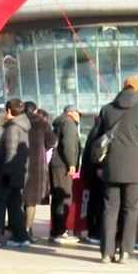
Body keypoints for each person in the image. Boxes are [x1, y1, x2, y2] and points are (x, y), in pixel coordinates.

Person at [92, 76, 138, 264]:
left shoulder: (107, 109)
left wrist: (99, 164)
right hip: (133, 167)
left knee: (109, 209)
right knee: (130, 209)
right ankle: (126, 252)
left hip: (111, 166)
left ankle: (106, 253)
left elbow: (97, 139)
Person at [0, 98, 32, 249]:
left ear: (9, 111)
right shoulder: (23, 126)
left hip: (6, 175)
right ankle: (21, 237)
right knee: (15, 207)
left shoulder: (13, 128)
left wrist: (6, 173)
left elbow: (11, 152)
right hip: (17, 173)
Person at [23, 103, 56, 241]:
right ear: (35, 110)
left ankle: (17, 231)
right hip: (36, 166)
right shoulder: (42, 123)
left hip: (18, 164)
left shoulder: (17, 122)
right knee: (31, 201)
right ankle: (27, 230)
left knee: (18, 199)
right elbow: (52, 142)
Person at [49, 105, 81, 245]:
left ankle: (55, 231)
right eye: (78, 113)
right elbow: (68, 145)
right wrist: (71, 163)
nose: (79, 117)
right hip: (63, 165)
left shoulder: (59, 123)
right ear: (71, 113)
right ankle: (61, 231)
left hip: (56, 164)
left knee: (57, 198)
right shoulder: (68, 123)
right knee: (64, 197)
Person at [81, 114, 104, 244]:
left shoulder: (93, 131)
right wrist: (99, 167)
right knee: (99, 203)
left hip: (92, 172)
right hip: (98, 172)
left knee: (93, 202)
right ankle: (96, 232)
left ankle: (92, 231)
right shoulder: (101, 133)